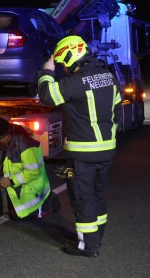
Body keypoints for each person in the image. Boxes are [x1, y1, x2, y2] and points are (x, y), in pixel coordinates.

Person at [37, 35, 122, 258]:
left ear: (69, 56)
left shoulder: (75, 82)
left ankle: (87, 246)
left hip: (83, 154)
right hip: (106, 151)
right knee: (98, 194)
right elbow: (117, 113)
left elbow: (46, 95)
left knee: (82, 198)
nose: (64, 68)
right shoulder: (108, 77)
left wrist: (47, 71)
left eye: (63, 64)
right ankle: (97, 236)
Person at [0, 116, 58, 220]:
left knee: (23, 215)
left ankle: (50, 203)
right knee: (8, 212)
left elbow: (33, 172)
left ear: (8, 133)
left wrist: (11, 181)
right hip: (13, 183)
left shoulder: (26, 145)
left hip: (30, 185)